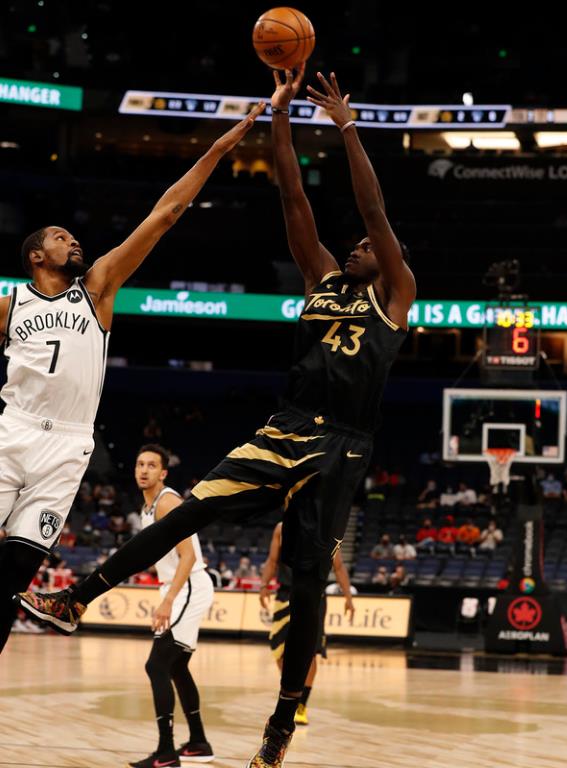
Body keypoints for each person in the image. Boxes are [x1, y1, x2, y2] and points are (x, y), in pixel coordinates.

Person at [17, 67, 416, 768]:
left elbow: (376, 213)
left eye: (366, 247)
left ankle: (282, 722)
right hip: (286, 425)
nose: (356, 245)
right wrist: (282, 116)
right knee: (186, 512)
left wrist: (347, 128)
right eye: (352, 243)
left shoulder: (396, 293)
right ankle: (77, 598)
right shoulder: (323, 278)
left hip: (341, 445)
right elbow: (292, 195)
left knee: (305, 583)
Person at [0, 103, 264, 653]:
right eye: (61, 237)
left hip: (68, 446)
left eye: (74, 237)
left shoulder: (97, 289)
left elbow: (165, 213)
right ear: (35, 255)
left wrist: (221, 146)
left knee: (13, 577)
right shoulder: (10, 304)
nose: (73, 242)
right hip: (13, 430)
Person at [130, 444, 214, 768]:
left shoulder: (167, 502)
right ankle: (199, 742)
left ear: (163, 473)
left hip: (188, 586)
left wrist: (167, 601)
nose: (144, 470)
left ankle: (166, 752)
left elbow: (188, 556)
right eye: (140, 464)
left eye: (151, 465)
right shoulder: (146, 508)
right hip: (179, 587)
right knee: (176, 667)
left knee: (156, 666)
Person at [259, 521, 354, 727]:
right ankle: (291, 694)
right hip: (285, 594)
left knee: (309, 652)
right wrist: (264, 585)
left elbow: (338, 566)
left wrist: (348, 597)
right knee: (278, 649)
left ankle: (301, 705)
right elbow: (272, 560)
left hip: (314, 594)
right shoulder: (281, 528)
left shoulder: (326, 528)